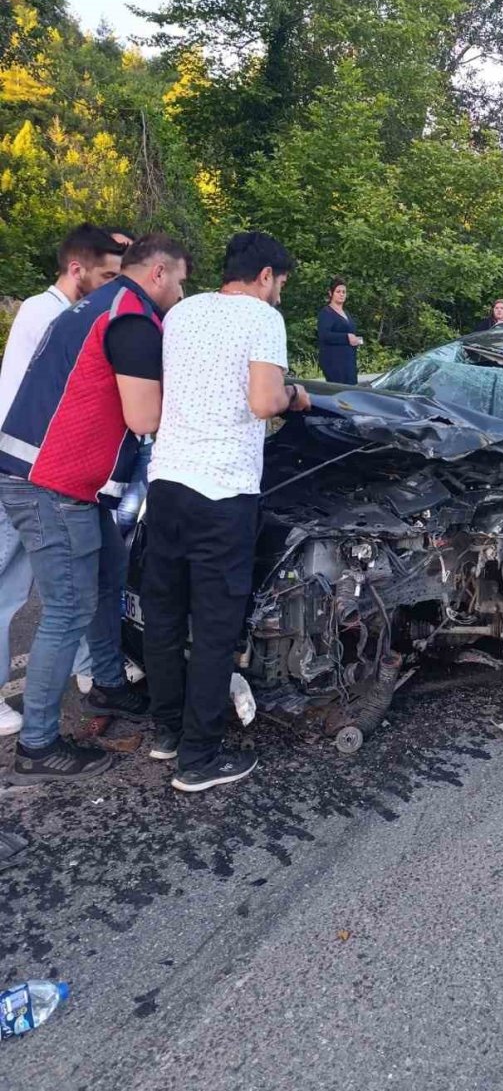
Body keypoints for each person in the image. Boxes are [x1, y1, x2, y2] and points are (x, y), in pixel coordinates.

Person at [0, 233, 190, 783]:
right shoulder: (129, 316)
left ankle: (107, 683)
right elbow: (144, 418)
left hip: (58, 481)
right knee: (66, 609)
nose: (180, 293)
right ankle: (38, 745)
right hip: (50, 485)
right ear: (157, 273)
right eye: (179, 281)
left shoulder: (92, 305)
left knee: (108, 572)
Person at [141, 231, 311, 794]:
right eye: (279, 284)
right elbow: (264, 402)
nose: (278, 295)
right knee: (215, 628)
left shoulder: (184, 312)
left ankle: (166, 734)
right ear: (265, 276)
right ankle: (199, 758)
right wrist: (295, 396)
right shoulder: (262, 319)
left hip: (166, 484)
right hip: (223, 493)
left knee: (164, 617)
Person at [0, 224, 126, 738]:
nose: (113, 286)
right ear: (77, 269)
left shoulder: (62, 312)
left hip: (40, 473)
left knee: (64, 590)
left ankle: (83, 668)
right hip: (26, 472)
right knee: (9, 588)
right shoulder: (47, 313)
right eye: (106, 275)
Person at [317, 277, 362, 384]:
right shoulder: (326, 313)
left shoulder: (347, 313)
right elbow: (324, 335)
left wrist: (357, 340)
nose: (341, 294)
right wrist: (346, 337)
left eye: (344, 292)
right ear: (331, 293)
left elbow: (351, 334)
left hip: (349, 362)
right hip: (334, 362)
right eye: (338, 291)